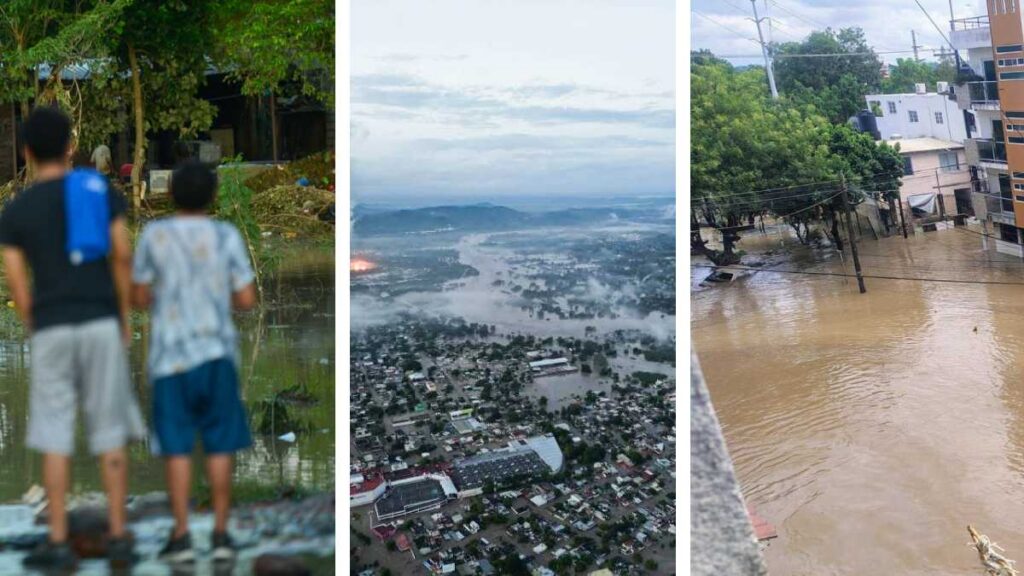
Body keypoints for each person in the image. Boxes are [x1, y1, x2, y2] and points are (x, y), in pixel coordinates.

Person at [0, 106, 146, 570]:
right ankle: (119, 536)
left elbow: (17, 285)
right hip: (101, 322)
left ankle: (59, 542)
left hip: (52, 329)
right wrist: (121, 314)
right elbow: (123, 255)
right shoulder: (98, 190)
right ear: (70, 147)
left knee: (55, 436)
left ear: (26, 152)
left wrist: (36, 324)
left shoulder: (17, 210)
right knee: (110, 433)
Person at [131, 160, 256, 563]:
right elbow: (246, 300)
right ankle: (220, 535)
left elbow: (138, 296)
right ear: (213, 196)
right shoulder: (225, 236)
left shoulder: (154, 235)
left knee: (178, 449)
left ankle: (182, 536)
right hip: (216, 356)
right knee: (220, 446)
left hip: (171, 361)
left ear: (170, 195)